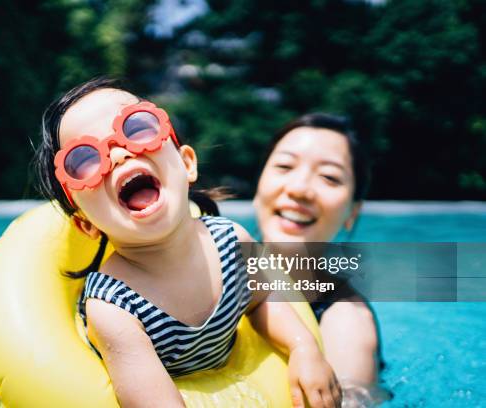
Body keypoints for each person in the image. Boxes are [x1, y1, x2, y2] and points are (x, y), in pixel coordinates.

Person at [34, 78, 341, 408]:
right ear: (85, 224)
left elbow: (264, 301)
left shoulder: (232, 241)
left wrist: (303, 348)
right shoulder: (112, 306)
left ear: (186, 163)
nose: (121, 154)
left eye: (135, 127)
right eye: (84, 159)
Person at [253, 113, 388, 405]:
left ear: (353, 212)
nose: (300, 189)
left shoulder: (345, 321)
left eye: (329, 176)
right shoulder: (206, 265)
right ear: (259, 183)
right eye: (284, 166)